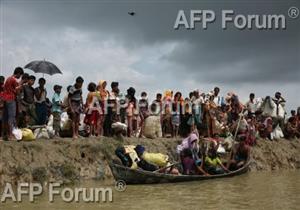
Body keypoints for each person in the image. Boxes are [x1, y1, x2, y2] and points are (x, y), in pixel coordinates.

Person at [2, 67, 24, 140]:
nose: (19, 77)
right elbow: (17, 91)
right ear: (18, 73)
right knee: (12, 117)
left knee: (6, 118)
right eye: (20, 75)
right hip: (11, 99)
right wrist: (20, 85)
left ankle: (5, 135)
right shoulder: (13, 80)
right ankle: (11, 135)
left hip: (5, 99)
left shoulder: (8, 79)